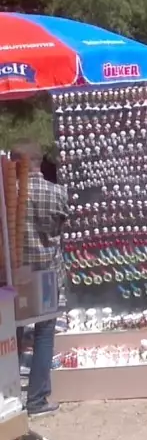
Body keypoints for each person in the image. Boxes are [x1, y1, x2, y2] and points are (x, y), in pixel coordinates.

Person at [12, 142, 67, 417]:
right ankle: (37, 399)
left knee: (12, 336)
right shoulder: (56, 193)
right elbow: (60, 228)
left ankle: (8, 398)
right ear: (38, 162)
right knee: (44, 334)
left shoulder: (7, 195)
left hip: (12, 277)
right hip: (46, 274)